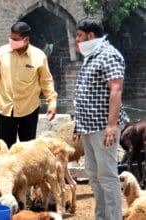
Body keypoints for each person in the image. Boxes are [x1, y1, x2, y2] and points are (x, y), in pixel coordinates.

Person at [73, 17, 128, 220]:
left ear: (90, 35)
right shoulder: (92, 55)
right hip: (88, 126)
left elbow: (116, 89)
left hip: (103, 126)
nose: (77, 40)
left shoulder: (109, 54)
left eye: (79, 36)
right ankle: (101, 217)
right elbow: (84, 92)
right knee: (94, 176)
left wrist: (112, 125)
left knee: (107, 175)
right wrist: (78, 125)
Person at [0, 21, 58, 147]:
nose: (11, 41)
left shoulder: (39, 56)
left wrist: (52, 102)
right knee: (5, 149)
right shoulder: (1, 53)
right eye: (10, 38)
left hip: (29, 109)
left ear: (26, 39)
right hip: (6, 109)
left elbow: (46, 81)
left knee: (27, 151)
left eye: (15, 39)